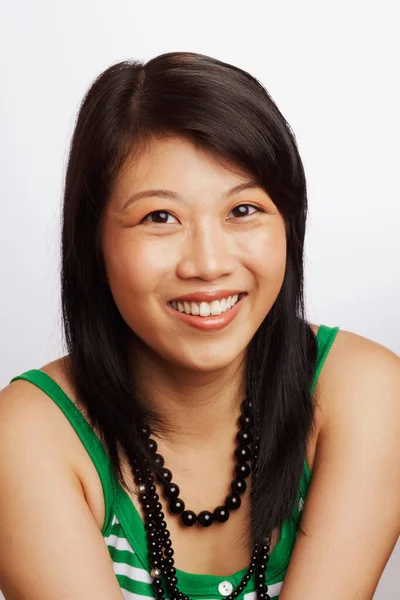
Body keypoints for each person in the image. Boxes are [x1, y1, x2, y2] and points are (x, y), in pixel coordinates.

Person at [0, 52, 399, 600]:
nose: (208, 264)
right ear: (94, 243)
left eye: (243, 210)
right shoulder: (29, 436)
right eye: (159, 218)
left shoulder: (366, 392)